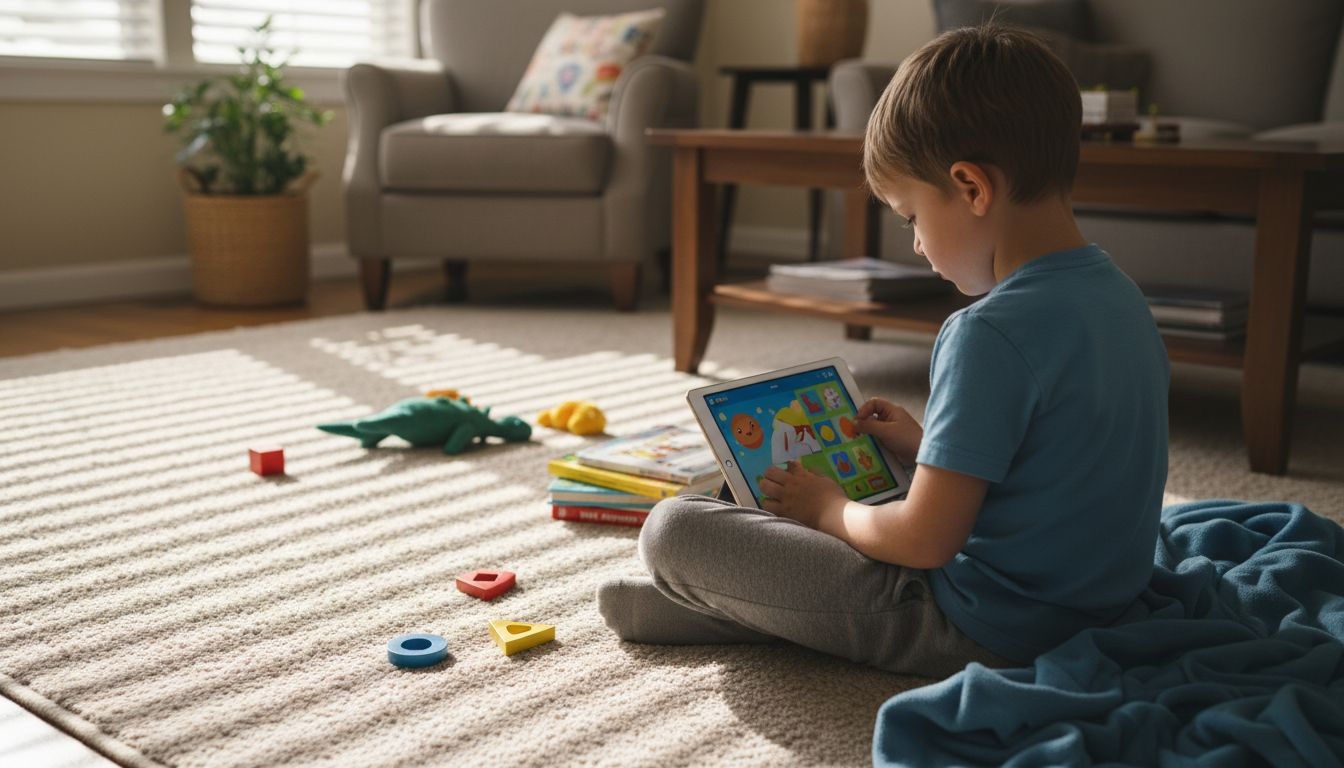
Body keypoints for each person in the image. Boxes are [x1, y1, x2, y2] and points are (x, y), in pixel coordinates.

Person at [596, 23, 1170, 676]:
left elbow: (925, 541)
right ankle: (736, 593)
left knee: (674, 528)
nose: (918, 245)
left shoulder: (987, 333)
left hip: (984, 625)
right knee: (855, 476)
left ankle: (715, 601)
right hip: (1099, 602)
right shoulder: (1121, 295)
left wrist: (829, 512)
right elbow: (1061, 462)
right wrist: (930, 449)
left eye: (912, 217)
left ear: (973, 188)